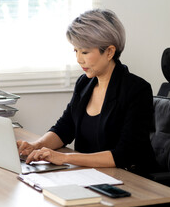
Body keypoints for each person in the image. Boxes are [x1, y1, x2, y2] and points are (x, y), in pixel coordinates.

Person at [17, 9, 157, 175]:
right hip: (90, 175)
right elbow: (65, 128)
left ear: (110, 52)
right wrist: (37, 145)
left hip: (130, 179)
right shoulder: (84, 83)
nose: (78, 59)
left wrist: (65, 158)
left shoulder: (137, 90)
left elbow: (123, 155)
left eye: (84, 52)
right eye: (75, 51)